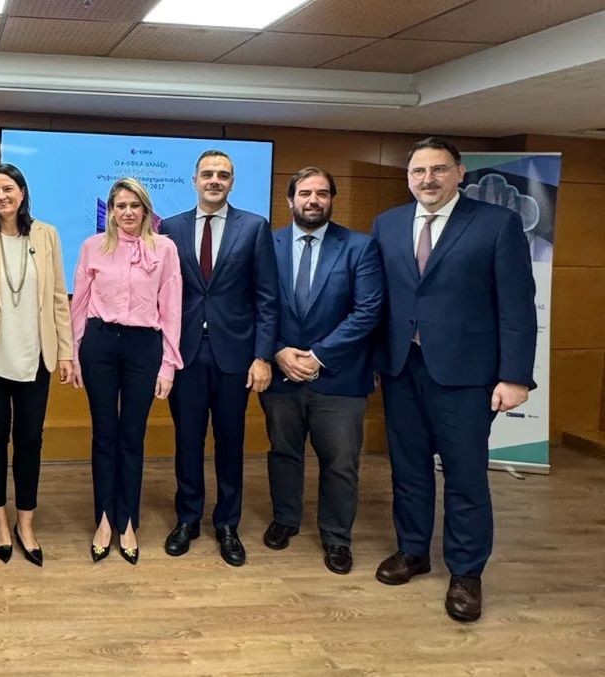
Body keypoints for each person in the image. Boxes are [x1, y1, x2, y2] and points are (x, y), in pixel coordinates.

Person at [372, 137, 536, 622]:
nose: (428, 179)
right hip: (401, 367)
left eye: (438, 169)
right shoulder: (388, 223)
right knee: (408, 469)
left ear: (460, 173)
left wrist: (515, 376)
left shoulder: (496, 224)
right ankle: (413, 551)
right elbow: (380, 299)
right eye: (418, 171)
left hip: (467, 374)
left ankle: (466, 572)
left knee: (465, 476)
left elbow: (517, 305)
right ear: (408, 177)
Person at [258, 167, 383, 575]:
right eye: (305, 193)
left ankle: (336, 537)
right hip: (281, 374)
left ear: (332, 200)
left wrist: (319, 356)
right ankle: (286, 519)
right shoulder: (267, 243)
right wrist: (277, 351)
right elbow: (254, 303)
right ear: (290, 200)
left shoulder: (360, 247)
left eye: (322, 193)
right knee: (283, 452)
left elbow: (368, 311)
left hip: (340, 376)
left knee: (341, 462)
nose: (313, 200)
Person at [0, 163, 74, 567]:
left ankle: (26, 522)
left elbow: (58, 297)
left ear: (22, 192)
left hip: (35, 357)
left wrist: (66, 351)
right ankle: (0, 521)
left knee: (30, 440)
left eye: (7, 188)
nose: (1, 196)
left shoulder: (47, 235)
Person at [160, 149, 279, 566]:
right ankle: (188, 518)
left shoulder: (255, 227)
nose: (215, 180)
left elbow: (267, 298)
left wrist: (262, 356)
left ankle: (227, 523)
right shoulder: (170, 228)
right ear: (194, 180)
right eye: (208, 174)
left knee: (230, 442)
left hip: (236, 356)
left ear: (232, 183)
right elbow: (164, 294)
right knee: (187, 440)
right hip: (186, 353)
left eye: (223, 175)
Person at [70, 178, 182, 565]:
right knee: (104, 435)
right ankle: (104, 519)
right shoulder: (92, 247)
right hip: (100, 344)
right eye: (121, 206)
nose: (128, 212)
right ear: (111, 211)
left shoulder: (164, 249)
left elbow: (172, 308)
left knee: (132, 436)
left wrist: (168, 365)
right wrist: (75, 353)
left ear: (146, 210)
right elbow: (79, 304)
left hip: (143, 347)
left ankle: (128, 520)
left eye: (135, 205)